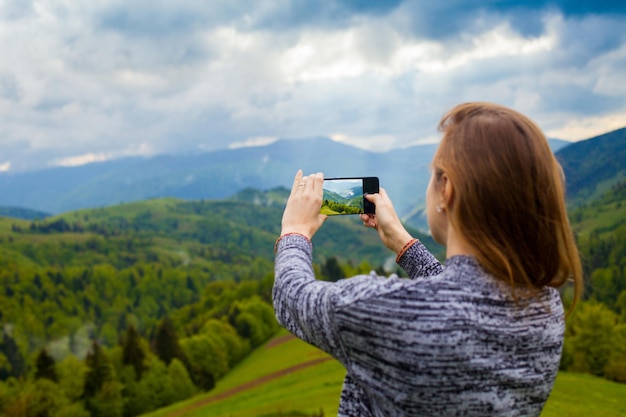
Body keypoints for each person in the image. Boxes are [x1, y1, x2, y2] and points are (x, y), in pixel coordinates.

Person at [273, 102, 583, 416]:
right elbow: (462, 299)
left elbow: (293, 298)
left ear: (446, 188)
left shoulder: (388, 310)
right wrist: (402, 243)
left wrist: (295, 231)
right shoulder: (545, 311)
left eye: (434, 174)